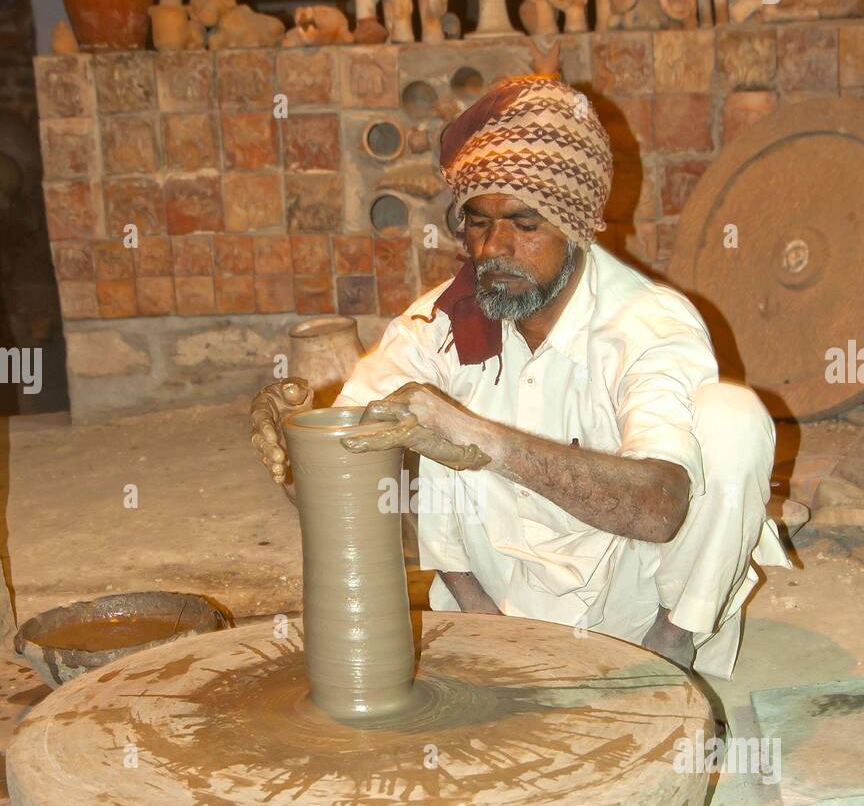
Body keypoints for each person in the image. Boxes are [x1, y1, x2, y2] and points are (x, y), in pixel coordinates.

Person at [252, 75, 790, 677]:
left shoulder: (646, 322)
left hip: (636, 609)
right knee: (416, 410)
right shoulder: (443, 322)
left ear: (576, 226)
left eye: (526, 225)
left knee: (732, 421)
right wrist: (297, 452)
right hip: (494, 613)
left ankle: (674, 653)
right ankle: (500, 654)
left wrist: (479, 441)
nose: (495, 249)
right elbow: (346, 460)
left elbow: (662, 506)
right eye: (478, 223)